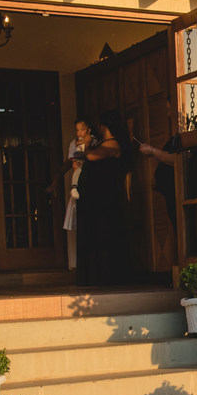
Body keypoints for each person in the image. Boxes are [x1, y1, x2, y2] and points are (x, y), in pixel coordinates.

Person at [75, 109, 131, 286]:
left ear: (103, 125)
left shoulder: (112, 144)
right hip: (94, 200)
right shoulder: (99, 143)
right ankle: (92, 277)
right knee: (93, 236)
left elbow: (91, 156)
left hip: (107, 199)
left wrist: (87, 144)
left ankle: (108, 278)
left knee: (105, 236)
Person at [45, 118, 95, 271]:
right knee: (83, 223)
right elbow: (70, 163)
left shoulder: (95, 142)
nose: (79, 132)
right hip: (80, 182)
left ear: (89, 130)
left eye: (82, 129)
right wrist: (55, 182)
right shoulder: (75, 144)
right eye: (77, 130)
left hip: (92, 182)